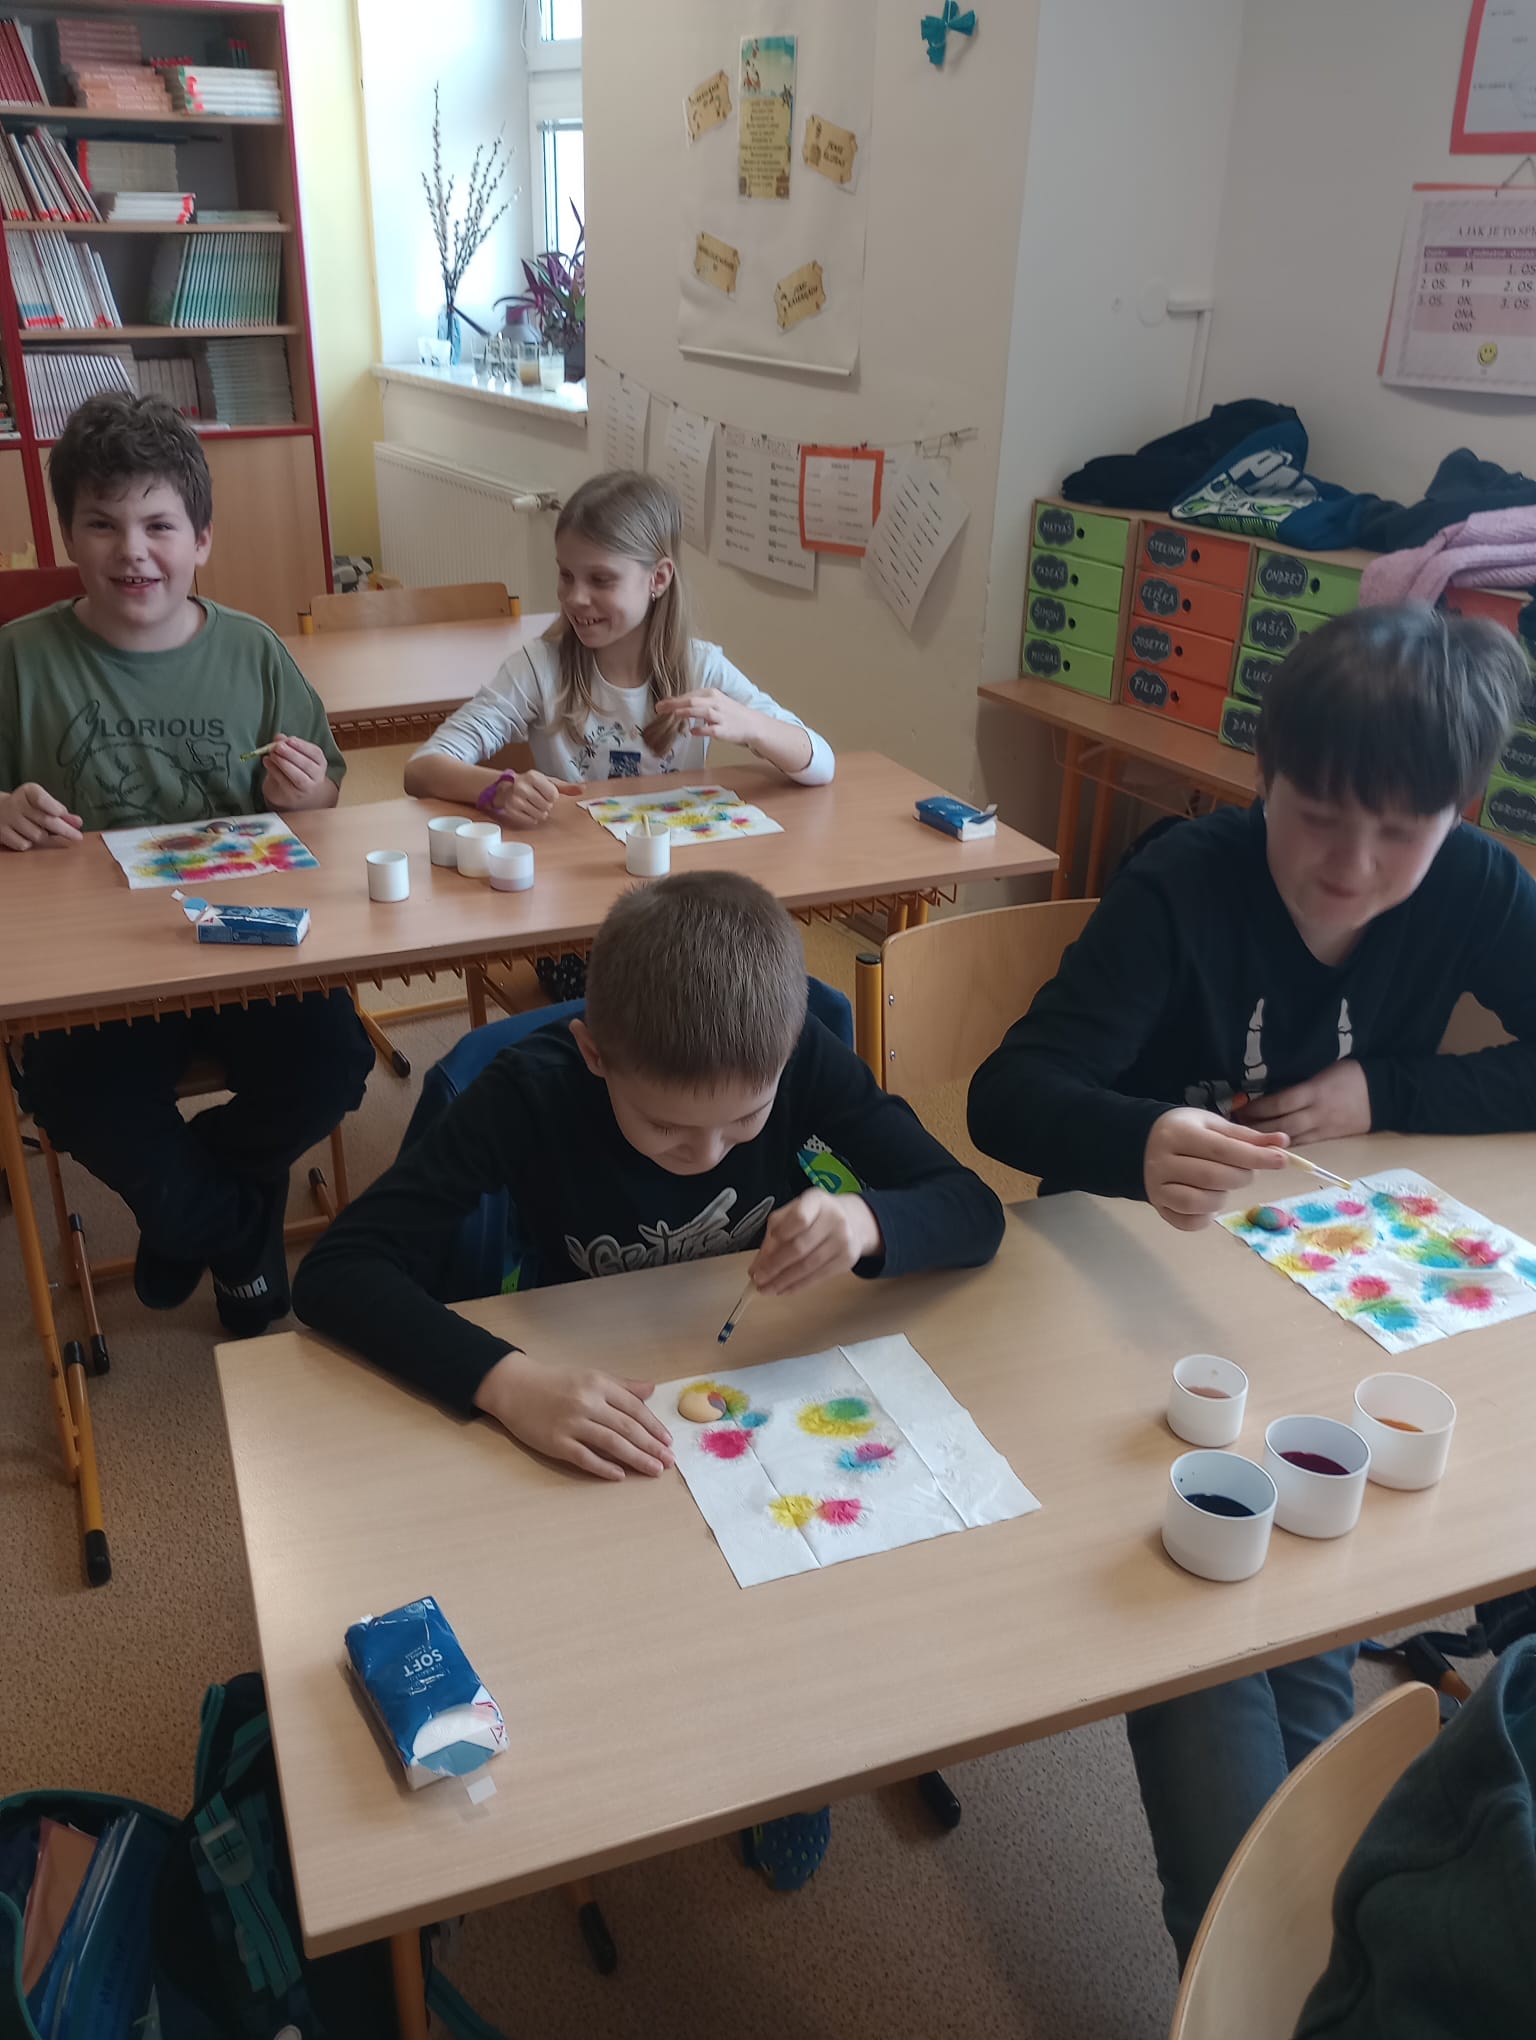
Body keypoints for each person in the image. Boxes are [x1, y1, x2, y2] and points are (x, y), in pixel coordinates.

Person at [967, 602, 1536, 1964]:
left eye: (1399, 832)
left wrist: (1387, 1088)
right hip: (1138, 1299)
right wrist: (1138, 1136)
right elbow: (1008, 1095)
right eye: (1319, 816)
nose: (1352, 867)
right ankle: (1256, 1952)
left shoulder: (1474, 882)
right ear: (1263, 776)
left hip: (1332, 1290)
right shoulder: (1186, 883)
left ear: (1458, 814)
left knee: (1311, 1575)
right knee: (1228, 1591)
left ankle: (1288, 1947)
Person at [1, 392, 373, 1336]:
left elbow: (325, 804)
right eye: (103, 523)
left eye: (159, 525)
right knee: (67, 1093)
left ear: (201, 538)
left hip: (249, 941)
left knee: (335, 1062)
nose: (133, 551)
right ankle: (227, 1227)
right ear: (68, 536)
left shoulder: (252, 651)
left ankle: (195, 1195)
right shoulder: (19, 660)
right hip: (95, 962)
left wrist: (307, 796)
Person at [403, 468, 833, 999]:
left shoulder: (700, 667)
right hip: (580, 928)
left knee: (766, 992)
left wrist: (753, 726)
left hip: (679, 911)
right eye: (566, 575)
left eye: (600, 580)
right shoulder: (540, 669)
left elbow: (821, 763)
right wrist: (497, 787)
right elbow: (421, 769)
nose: (575, 598)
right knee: (682, 1004)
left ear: (658, 579)